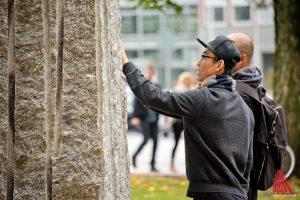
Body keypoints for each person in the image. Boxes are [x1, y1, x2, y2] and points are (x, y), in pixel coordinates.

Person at [122, 35, 254, 200]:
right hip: (239, 195)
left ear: (219, 65)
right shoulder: (243, 107)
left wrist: (126, 64)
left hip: (212, 196)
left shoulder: (205, 98)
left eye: (204, 56)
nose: (198, 63)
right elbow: (248, 164)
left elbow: (154, 97)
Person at [228, 32, 263, 200]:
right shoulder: (252, 84)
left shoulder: (239, 94)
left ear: (241, 59)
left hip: (236, 186)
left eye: (226, 51)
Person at [130, 65, 160, 172]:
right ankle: (134, 156)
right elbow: (136, 102)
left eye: (152, 71)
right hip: (144, 118)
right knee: (146, 139)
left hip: (154, 119)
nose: (150, 73)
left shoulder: (156, 85)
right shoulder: (141, 85)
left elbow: (161, 101)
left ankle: (152, 165)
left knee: (156, 141)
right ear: (146, 72)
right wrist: (135, 116)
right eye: (149, 71)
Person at [170, 71, 194, 173]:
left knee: (192, 144)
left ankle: (192, 166)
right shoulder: (177, 90)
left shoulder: (194, 90)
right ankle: (171, 164)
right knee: (176, 143)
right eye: (186, 79)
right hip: (178, 121)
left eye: (189, 79)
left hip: (189, 120)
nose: (187, 81)